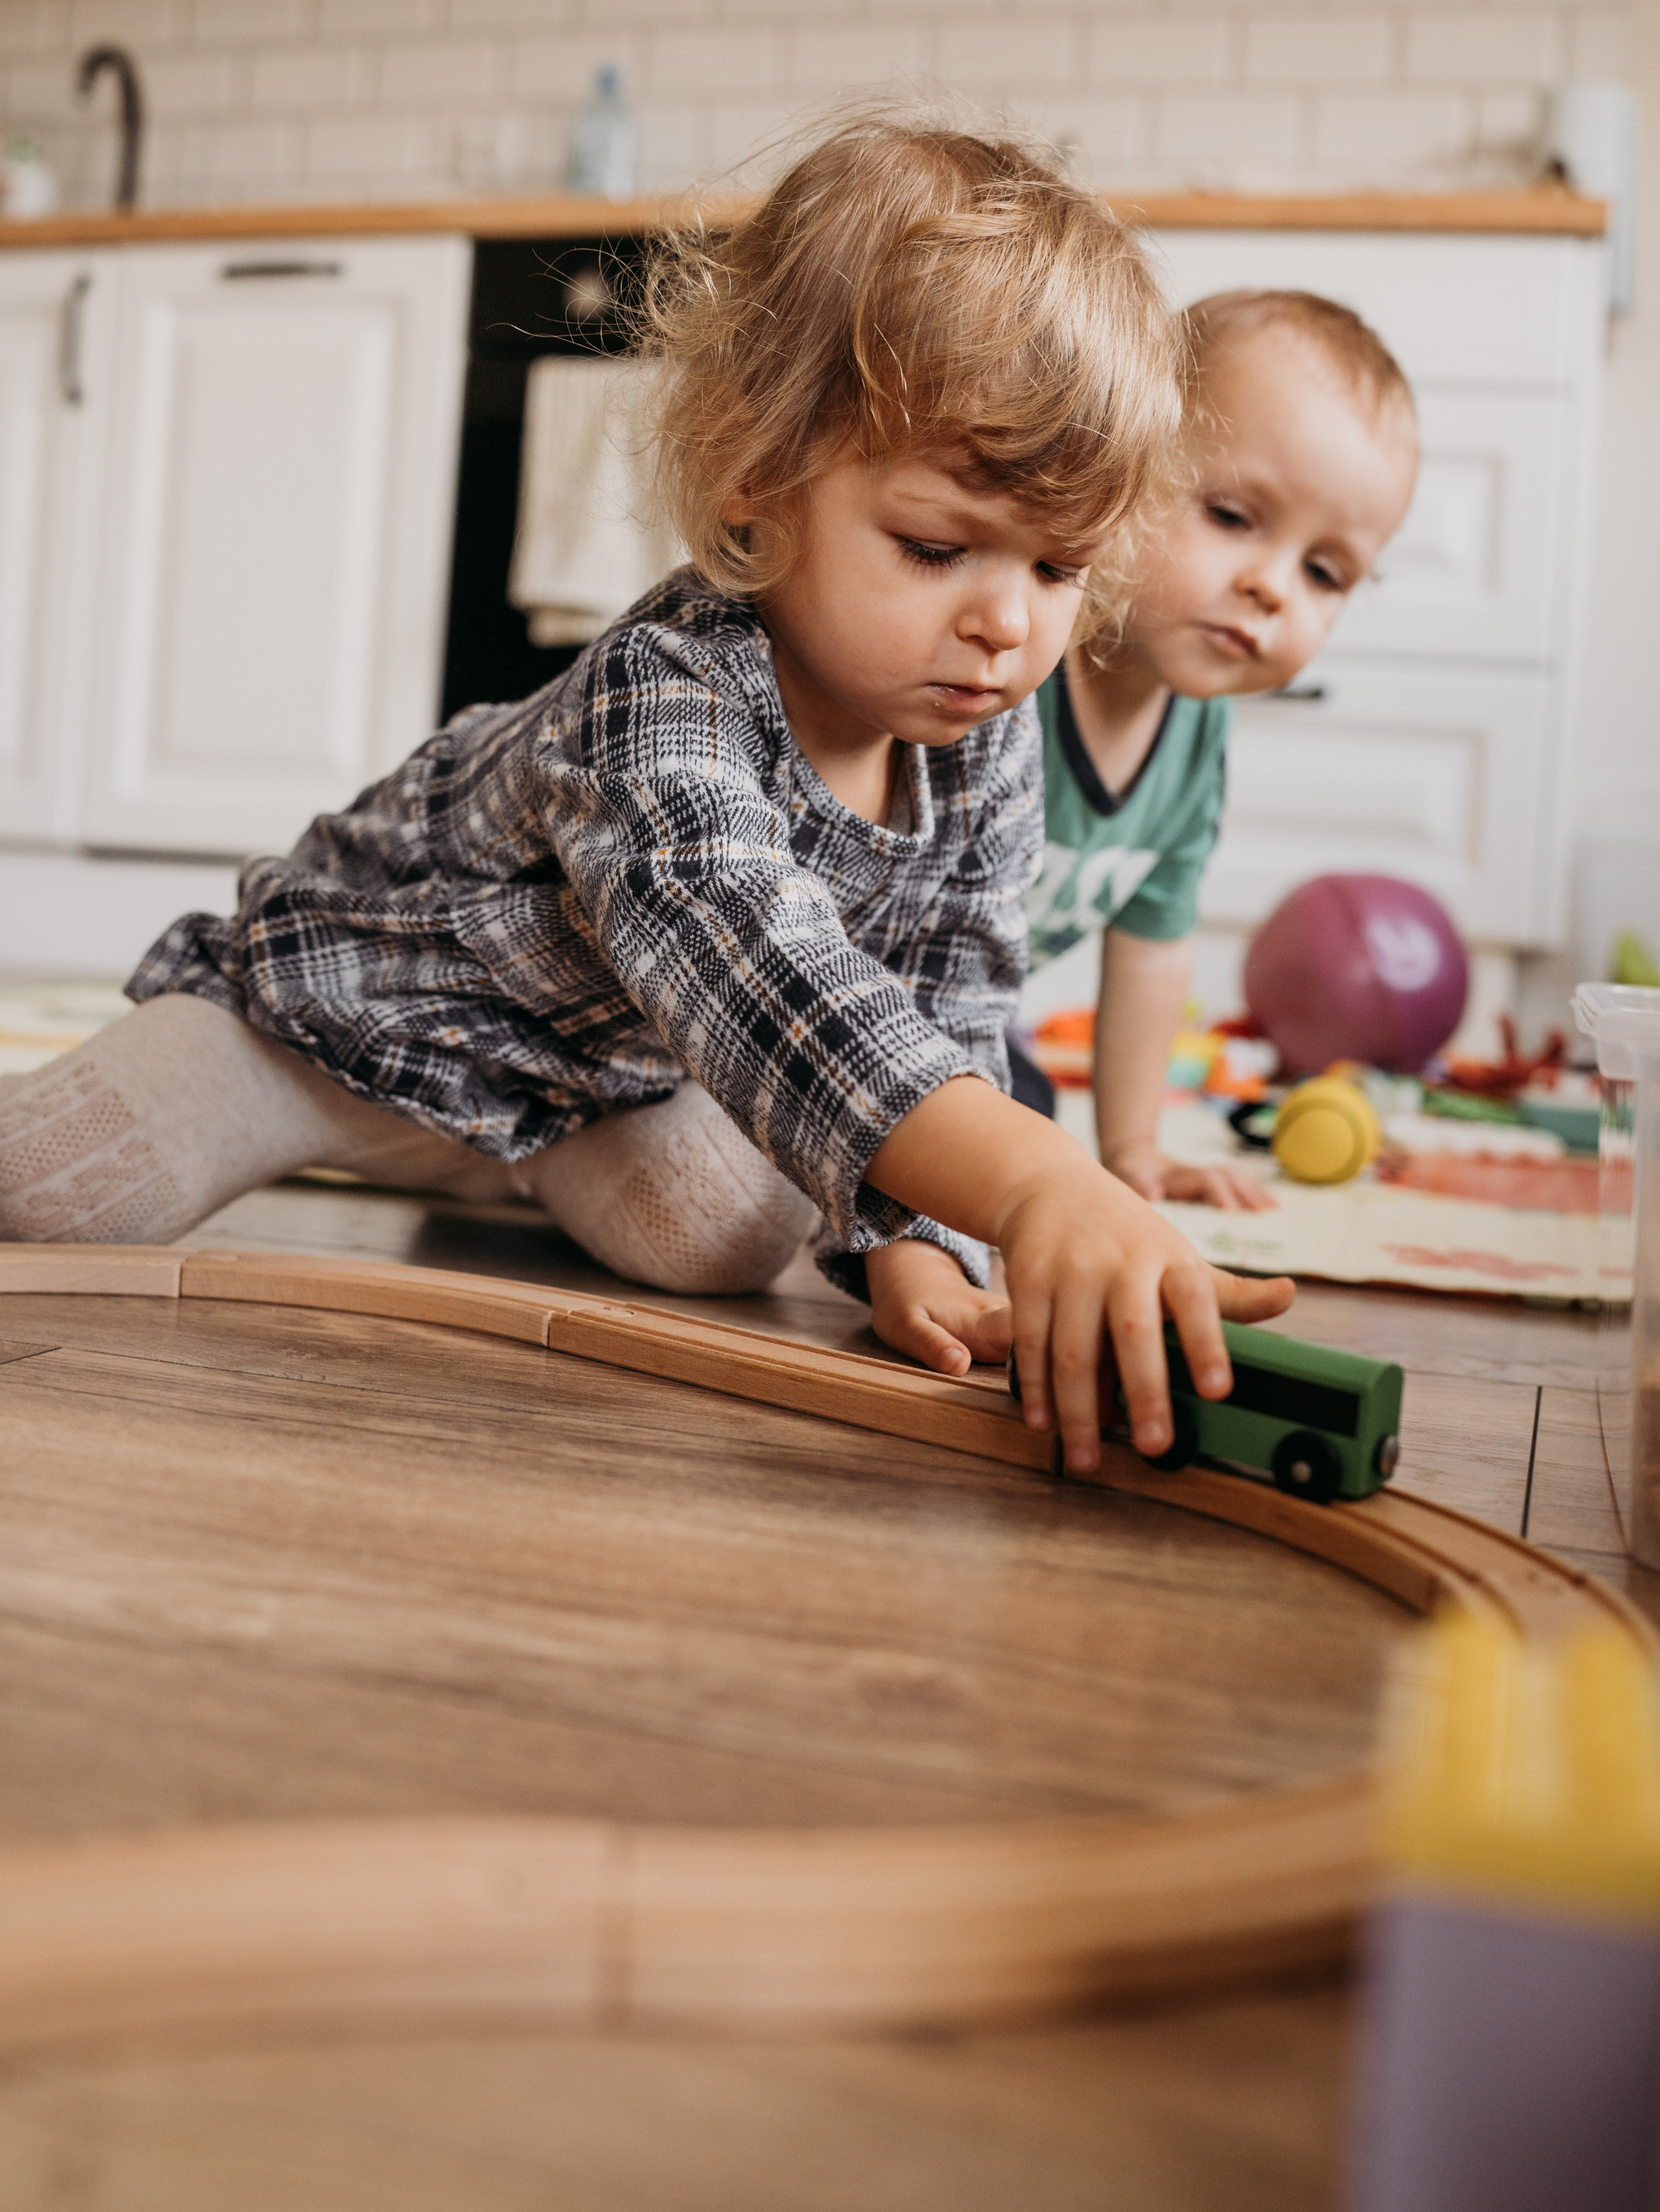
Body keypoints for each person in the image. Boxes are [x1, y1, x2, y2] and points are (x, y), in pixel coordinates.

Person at [0, 116, 1292, 1477]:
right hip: (335, 1025)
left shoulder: (979, 736)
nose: (1005, 628)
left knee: (731, 1238)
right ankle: (341, 1120)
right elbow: (752, 965)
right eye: (935, 547)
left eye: (1056, 569)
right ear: (758, 478)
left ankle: (506, 1159)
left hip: (590, 1084)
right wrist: (1038, 1182)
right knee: (52, 1189)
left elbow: (947, 997)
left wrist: (916, 1239)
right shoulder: (662, 683)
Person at [875, 288, 1418, 1386]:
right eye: (1232, 516)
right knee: (973, 1151)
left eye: (1325, 573)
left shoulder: (1197, 738)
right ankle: (886, 1246)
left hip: (967, 1035)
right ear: (1118, 473)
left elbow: (1154, 940)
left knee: (1033, 1115)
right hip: (861, 997)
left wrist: (1134, 1153)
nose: (1272, 586)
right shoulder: (1008, 665)